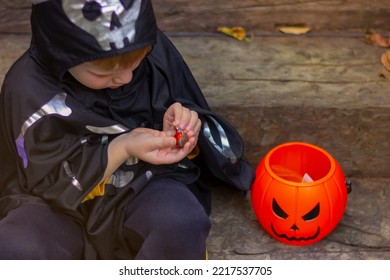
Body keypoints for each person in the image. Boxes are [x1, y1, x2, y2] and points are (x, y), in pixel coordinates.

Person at [0, 0, 254, 259]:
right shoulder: (27, 87)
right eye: (104, 73)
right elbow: (41, 178)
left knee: (181, 221)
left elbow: (183, 106)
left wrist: (184, 126)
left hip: (141, 184)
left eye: (136, 63)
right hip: (52, 207)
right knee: (16, 246)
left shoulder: (148, 49)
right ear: (61, 53)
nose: (126, 79)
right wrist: (121, 147)